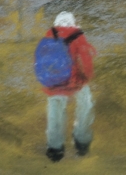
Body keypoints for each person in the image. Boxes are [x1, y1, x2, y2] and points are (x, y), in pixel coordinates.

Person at [34, 11, 96, 162]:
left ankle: (55, 148)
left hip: (53, 83)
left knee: (55, 111)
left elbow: (39, 61)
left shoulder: (48, 35)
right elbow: (85, 62)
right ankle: (82, 141)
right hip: (74, 82)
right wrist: (85, 79)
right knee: (85, 105)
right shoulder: (78, 36)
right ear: (73, 22)